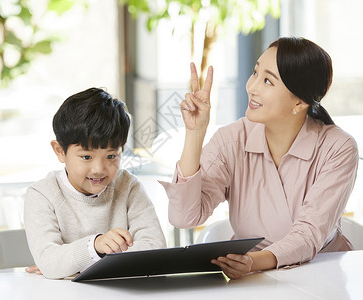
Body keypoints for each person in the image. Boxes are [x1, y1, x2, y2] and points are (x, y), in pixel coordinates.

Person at [160, 37, 359, 279]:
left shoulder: (338, 148)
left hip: (322, 275)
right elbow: (184, 217)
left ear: (299, 101)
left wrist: (253, 262)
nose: (251, 87)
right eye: (255, 73)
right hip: (253, 278)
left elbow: (308, 235)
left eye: (267, 81)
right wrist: (194, 133)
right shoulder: (232, 140)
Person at [24, 87, 166, 279]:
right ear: (60, 151)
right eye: (86, 156)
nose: (99, 168)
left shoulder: (129, 186)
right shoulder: (42, 194)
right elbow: (50, 262)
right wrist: (95, 246)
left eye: (111, 156)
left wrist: (73, 264)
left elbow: (154, 249)